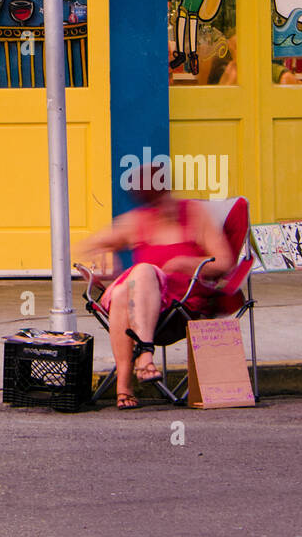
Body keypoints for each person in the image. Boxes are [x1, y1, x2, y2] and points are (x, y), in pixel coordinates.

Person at [78, 170, 235, 410]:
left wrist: (186, 263)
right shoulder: (138, 220)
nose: (161, 207)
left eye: (162, 198)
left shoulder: (194, 214)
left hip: (179, 306)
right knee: (134, 280)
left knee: (137, 277)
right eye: (152, 202)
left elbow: (225, 262)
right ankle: (138, 365)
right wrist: (106, 263)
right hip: (139, 307)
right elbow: (91, 244)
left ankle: (132, 373)